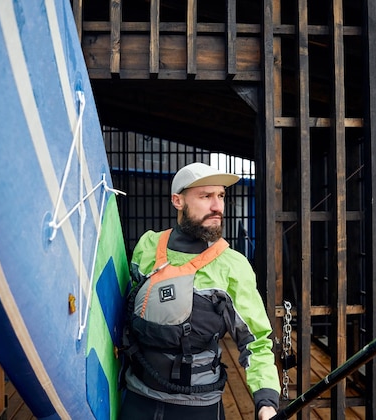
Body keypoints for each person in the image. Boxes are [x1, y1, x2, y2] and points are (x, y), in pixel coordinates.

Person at [119, 162, 280, 420]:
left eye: (221, 196)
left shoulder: (232, 266)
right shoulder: (147, 246)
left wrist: (266, 400)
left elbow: (257, 341)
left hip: (198, 407)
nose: (217, 206)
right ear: (177, 201)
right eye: (206, 196)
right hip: (138, 398)